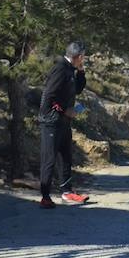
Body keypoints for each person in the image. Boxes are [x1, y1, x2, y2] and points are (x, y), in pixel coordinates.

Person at [38, 41, 90, 208]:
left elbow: (78, 89)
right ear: (79, 56)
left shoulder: (71, 69)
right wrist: (63, 111)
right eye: (83, 57)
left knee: (66, 156)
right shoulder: (60, 69)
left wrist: (81, 71)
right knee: (49, 159)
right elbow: (48, 96)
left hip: (63, 122)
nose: (84, 59)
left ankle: (67, 192)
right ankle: (45, 197)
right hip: (51, 122)